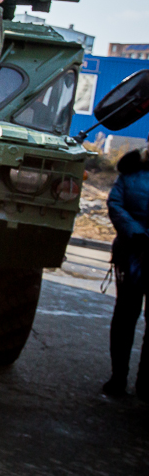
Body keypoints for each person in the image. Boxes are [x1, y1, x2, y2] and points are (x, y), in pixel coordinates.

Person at [103, 146, 149, 401]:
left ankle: (144, 381)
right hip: (131, 253)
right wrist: (137, 236)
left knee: (125, 317)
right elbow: (115, 204)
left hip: (131, 249)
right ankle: (119, 376)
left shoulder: (131, 174)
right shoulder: (130, 173)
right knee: (124, 317)